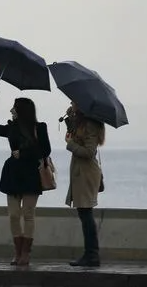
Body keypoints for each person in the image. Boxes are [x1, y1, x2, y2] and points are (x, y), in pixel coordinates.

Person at [0, 96, 51, 266]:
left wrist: (24, 153)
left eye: (14, 107)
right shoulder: (12, 127)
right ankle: (17, 250)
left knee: (28, 214)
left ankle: (25, 253)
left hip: (31, 174)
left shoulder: (39, 128)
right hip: (13, 173)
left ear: (22, 110)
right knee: (14, 215)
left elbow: (45, 150)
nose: (11, 110)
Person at [64, 101, 105, 267]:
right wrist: (70, 117)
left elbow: (88, 152)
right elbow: (77, 136)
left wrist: (70, 144)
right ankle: (90, 255)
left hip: (86, 173)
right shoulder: (81, 122)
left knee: (86, 213)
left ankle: (92, 255)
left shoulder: (91, 125)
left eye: (74, 101)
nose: (71, 103)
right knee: (84, 213)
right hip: (81, 172)